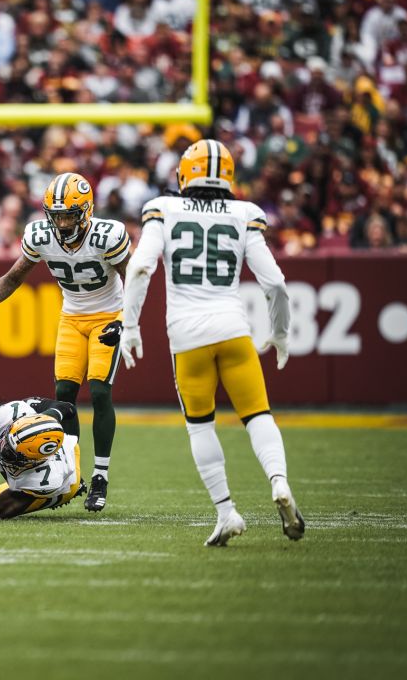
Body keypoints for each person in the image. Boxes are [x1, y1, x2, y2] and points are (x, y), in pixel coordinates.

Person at [119, 139, 305, 547]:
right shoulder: (244, 214)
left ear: (185, 174)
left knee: (200, 426)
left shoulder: (163, 209)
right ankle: (279, 481)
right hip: (233, 330)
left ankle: (226, 512)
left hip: (187, 338)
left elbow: (140, 267)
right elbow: (274, 282)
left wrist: (129, 326)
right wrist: (280, 332)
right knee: (258, 415)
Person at [0, 172, 131, 513]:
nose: (62, 221)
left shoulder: (107, 235)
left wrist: (128, 323)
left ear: (85, 212)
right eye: (56, 215)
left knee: (100, 391)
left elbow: (135, 280)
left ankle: (101, 476)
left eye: (69, 214)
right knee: (65, 396)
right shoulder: (41, 235)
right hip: (71, 317)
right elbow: (15, 275)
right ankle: (74, 471)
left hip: (109, 315)